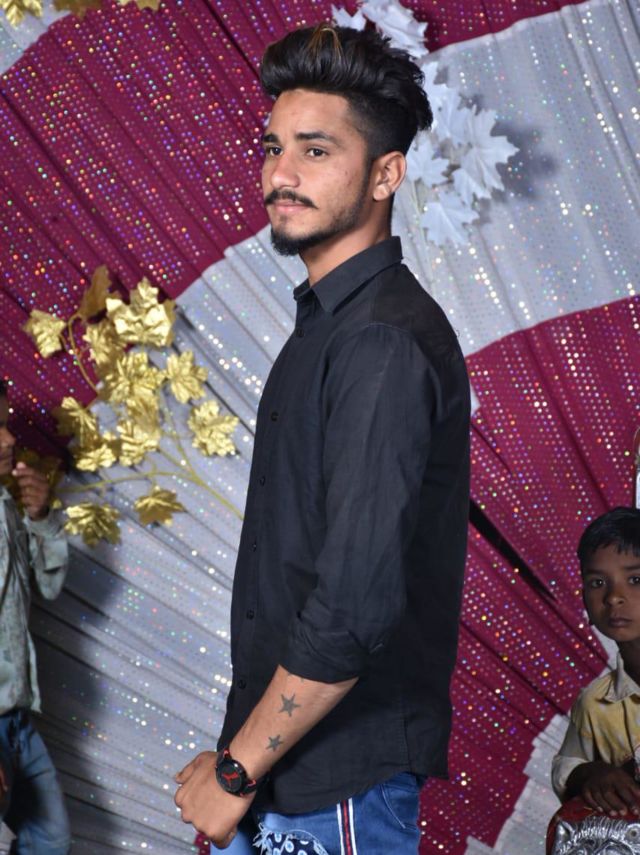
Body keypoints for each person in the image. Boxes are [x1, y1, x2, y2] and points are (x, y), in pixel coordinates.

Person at [175, 24, 470, 854]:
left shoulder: (380, 339)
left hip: (339, 782)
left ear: (385, 174)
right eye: (273, 149)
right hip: (287, 771)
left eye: (315, 150)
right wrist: (240, 764)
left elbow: (353, 605)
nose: (281, 174)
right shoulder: (329, 325)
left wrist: (236, 769)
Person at [0, 379, 71, 853]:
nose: (9, 439)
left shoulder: (6, 505)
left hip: (16, 717)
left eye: (6, 425)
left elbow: (47, 585)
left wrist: (41, 517)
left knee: (49, 839)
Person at [552, 506, 640, 817]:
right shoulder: (596, 704)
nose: (614, 597)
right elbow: (568, 766)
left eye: (635, 579)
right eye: (598, 583)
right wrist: (589, 774)